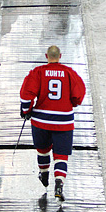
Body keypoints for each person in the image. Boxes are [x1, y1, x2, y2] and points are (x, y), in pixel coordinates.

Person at [20, 45, 86, 202]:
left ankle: (44, 174)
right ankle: (59, 182)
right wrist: (72, 103)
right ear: (60, 56)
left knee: (42, 150)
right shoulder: (70, 73)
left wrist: (26, 110)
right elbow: (78, 95)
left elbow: (26, 94)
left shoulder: (38, 72)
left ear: (46, 56)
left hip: (41, 121)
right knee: (61, 155)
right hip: (64, 121)